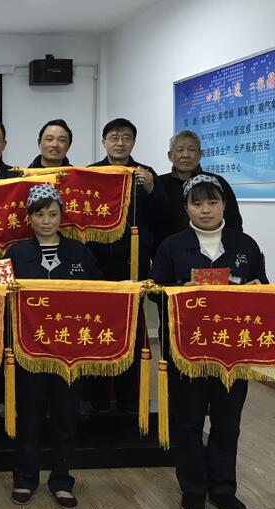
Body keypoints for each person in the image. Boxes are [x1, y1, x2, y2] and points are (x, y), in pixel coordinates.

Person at [150, 173, 266, 509]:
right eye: (197, 203)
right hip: (187, 348)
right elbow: (155, 291)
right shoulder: (171, 246)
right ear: (186, 207)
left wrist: (257, 288)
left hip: (232, 350)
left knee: (228, 420)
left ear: (224, 205)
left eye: (212, 202)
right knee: (188, 420)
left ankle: (223, 489)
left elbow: (263, 287)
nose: (205, 210)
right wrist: (179, 290)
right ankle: (193, 488)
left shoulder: (245, 245)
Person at [0, 184, 101, 509]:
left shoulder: (79, 252)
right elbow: (2, 299)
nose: (47, 221)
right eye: (40, 214)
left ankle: (62, 481)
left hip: (69, 351)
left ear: (61, 216)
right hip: (29, 349)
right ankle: (25, 478)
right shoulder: (15, 253)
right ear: (29, 218)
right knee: (30, 416)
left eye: (53, 214)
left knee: (66, 416)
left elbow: (101, 290)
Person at [86, 117, 163, 412]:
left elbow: (162, 215)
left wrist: (152, 189)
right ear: (104, 141)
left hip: (133, 264)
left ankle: (129, 397)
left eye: (126, 137)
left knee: (131, 330)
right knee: (96, 328)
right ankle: (98, 398)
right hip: (96, 265)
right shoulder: (90, 173)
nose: (120, 143)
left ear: (133, 142)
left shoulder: (146, 174)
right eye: (114, 137)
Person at [152, 130, 243, 253]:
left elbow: (234, 222)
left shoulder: (216, 183)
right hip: (169, 254)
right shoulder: (158, 184)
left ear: (200, 154)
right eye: (180, 150)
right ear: (170, 155)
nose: (186, 155)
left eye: (191, 149)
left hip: (213, 252)